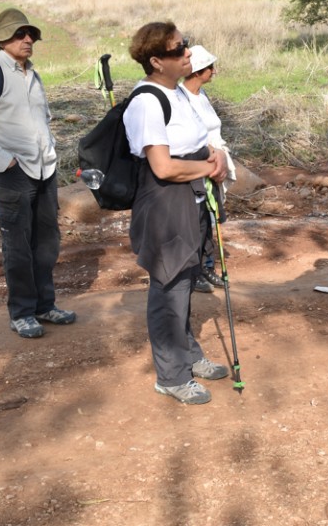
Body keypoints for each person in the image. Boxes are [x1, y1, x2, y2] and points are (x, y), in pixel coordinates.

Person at [124, 22, 230, 405]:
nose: (188, 52)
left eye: (184, 45)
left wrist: (213, 157)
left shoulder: (180, 94)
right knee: (168, 288)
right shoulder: (148, 101)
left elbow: (198, 142)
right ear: (156, 61)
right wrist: (208, 167)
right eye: (178, 48)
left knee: (185, 281)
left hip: (191, 197)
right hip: (165, 201)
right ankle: (171, 376)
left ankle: (186, 354)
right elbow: (164, 167)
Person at [0, 8, 75, 339]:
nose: (27, 40)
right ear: (2, 40)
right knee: (18, 245)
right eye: (18, 34)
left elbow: (43, 119)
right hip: (13, 173)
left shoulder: (32, 75)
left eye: (30, 35)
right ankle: (22, 312)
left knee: (47, 242)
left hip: (45, 169)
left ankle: (44, 305)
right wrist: (3, 160)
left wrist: (50, 151)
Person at [180, 45, 237, 294]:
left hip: (214, 166)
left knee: (210, 218)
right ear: (197, 71)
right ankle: (194, 273)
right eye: (209, 68)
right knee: (196, 222)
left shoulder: (201, 95)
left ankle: (208, 266)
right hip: (198, 166)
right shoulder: (181, 98)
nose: (213, 71)